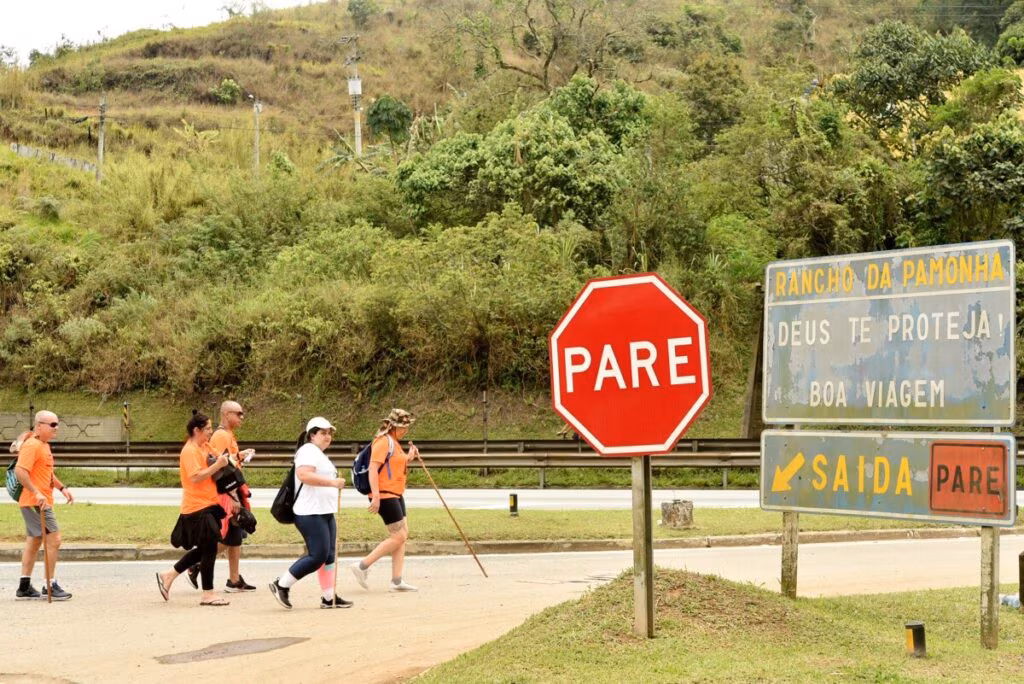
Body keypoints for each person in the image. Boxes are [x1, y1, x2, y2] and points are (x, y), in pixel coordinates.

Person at [270, 416, 353, 610]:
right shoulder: (307, 451)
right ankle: (281, 584)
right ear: (312, 435)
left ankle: (328, 597)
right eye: (323, 433)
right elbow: (304, 475)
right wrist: (333, 483)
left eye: (329, 433)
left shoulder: (319, 454)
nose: (327, 436)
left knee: (329, 555)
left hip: (324, 511)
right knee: (318, 555)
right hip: (309, 513)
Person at [156, 412, 231, 606]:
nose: (210, 432)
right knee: (209, 549)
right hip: (197, 507)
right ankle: (208, 594)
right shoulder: (189, 451)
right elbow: (196, 477)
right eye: (207, 429)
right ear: (196, 430)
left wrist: (238, 456)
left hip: (209, 504)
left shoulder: (205, 445)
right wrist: (218, 466)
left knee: (208, 548)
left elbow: (221, 458)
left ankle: (169, 575)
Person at [186, 400, 256, 593]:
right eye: (238, 413)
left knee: (236, 535)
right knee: (226, 537)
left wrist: (241, 456)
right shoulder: (221, 436)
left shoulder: (228, 435)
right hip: (229, 493)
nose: (242, 417)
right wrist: (232, 497)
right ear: (226, 414)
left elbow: (229, 460)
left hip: (235, 490)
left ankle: (234, 579)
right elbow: (221, 469)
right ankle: (195, 564)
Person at [349, 408, 421, 593]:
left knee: (403, 535)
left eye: (407, 427)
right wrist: (376, 496)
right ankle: (362, 566)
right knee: (399, 536)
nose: (406, 430)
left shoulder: (394, 443)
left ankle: (396, 581)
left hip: (396, 493)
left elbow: (395, 463)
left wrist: (409, 457)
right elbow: (373, 469)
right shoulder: (383, 441)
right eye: (402, 427)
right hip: (384, 494)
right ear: (392, 426)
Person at [14, 411, 73, 601]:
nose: (56, 427)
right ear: (39, 426)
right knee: (54, 539)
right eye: (52, 424)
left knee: (35, 541)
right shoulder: (32, 445)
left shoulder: (44, 445)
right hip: (35, 503)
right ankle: (50, 585)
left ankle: (24, 587)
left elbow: (46, 473)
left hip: (38, 501)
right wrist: (36, 492)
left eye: (57, 424)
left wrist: (62, 488)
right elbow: (20, 471)